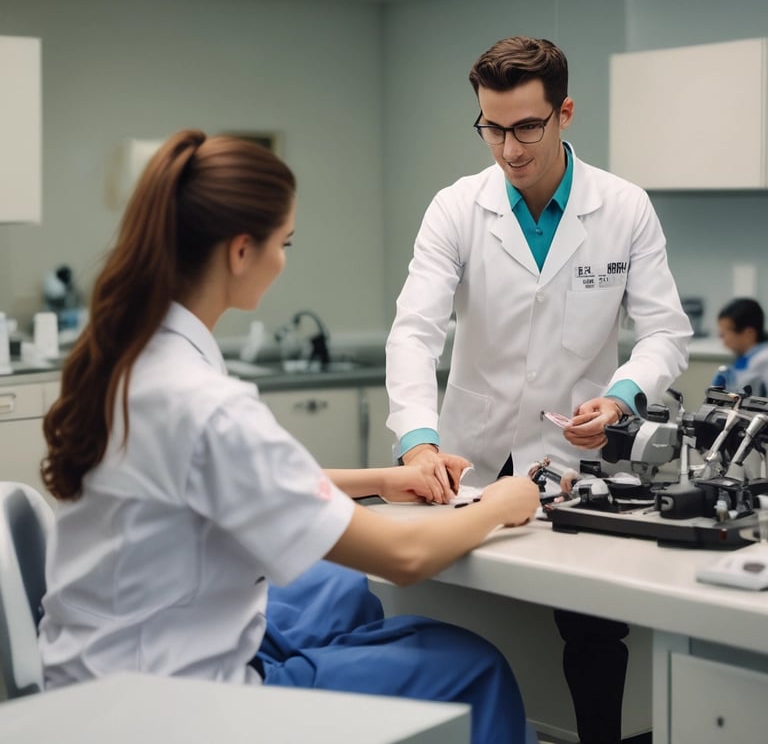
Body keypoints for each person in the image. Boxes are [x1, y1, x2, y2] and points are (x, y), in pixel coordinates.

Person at [38, 129, 540, 744]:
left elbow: (228, 481)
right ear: (241, 251)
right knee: (471, 665)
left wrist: (385, 479)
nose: (283, 259)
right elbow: (405, 560)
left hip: (94, 670)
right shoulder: (207, 405)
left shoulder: (134, 359)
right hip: (170, 710)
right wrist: (499, 505)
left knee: (342, 594)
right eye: (285, 243)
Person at [386, 36, 692, 744]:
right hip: (467, 455)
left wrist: (619, 397)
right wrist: (416, 437)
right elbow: (414, 332)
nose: (509, 148)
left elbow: (665, 334)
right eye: (492, 127)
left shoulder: (623, 207)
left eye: (527, 125)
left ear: (565, 113)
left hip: (572, 456)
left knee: (590, 626)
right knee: (451, 617)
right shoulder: (457, 207)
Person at [713, 297, 768, 397]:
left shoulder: (762, 361)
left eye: (723, 334)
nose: (721, 338)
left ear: (749, 333)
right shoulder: (744, 360)